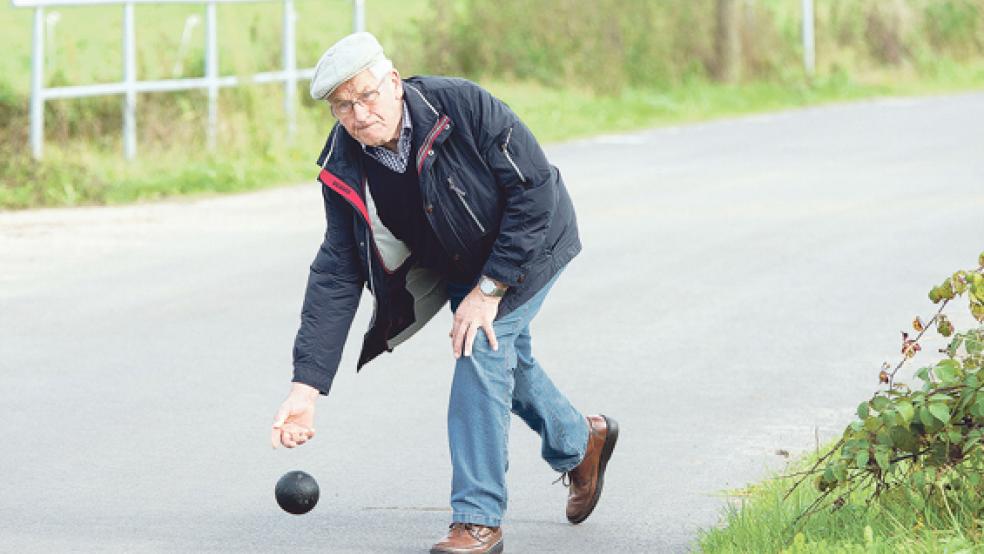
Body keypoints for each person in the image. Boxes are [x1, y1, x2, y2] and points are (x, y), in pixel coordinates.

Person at [269, 32, 618, 554]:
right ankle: (579, 441)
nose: (360, 113)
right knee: (506, 361)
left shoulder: (462, 106)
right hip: (456, 259)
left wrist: (491, 287)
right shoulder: (344, 167)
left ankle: (477, 519)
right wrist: (305, 388)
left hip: (529, 243)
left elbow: (534, 188)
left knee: (479, 345)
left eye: (367, 95)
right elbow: (338, 271)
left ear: (392, 81)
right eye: (344, 106)